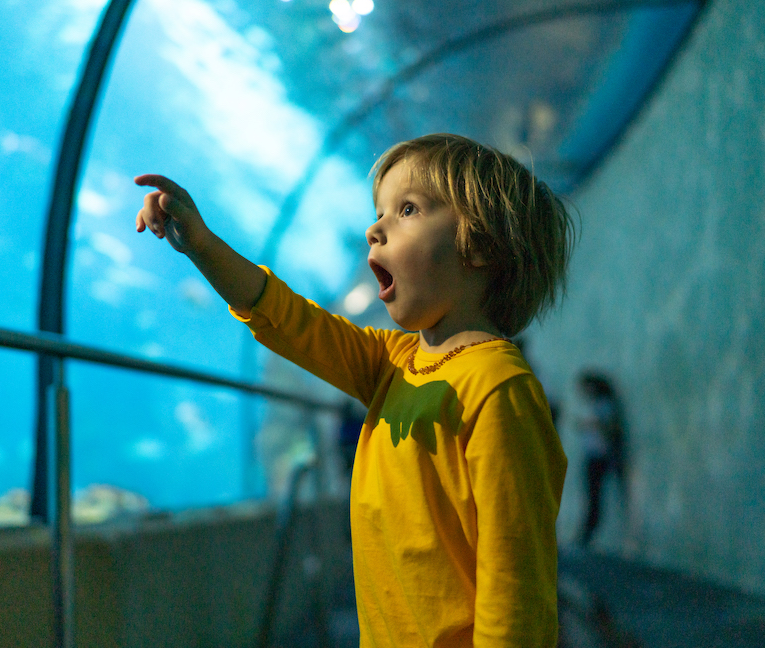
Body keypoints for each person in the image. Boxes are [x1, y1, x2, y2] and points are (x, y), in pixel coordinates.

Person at [134, 134, 574, 647]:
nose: (374, 228)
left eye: (406, 209)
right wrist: (204, 248)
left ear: (477, 244)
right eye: (379, 211)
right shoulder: (394, 363)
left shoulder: (498, 387)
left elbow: (516, 584)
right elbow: (286, 318)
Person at [575, 372, 626, 548]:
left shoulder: (603, 405)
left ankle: (587, 536)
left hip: (600, 459)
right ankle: (587, 535)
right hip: (594, 457)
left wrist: (592, 424)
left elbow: (610, 430)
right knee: (593, 498)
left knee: (594, 499)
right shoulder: (597, 404)